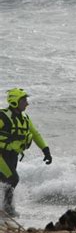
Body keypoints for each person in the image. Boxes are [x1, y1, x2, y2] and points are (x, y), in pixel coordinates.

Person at [0, 88, 52, 217]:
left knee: (6, 180)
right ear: (14, 102)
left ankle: (5, 208)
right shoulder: (2, 116)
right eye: (24, 100)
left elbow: (35, 134)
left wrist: (46, 150)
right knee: (12, 179)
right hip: (1, 154)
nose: (27, 103)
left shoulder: (25, 118)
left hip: (13, 156)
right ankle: (7, 208)